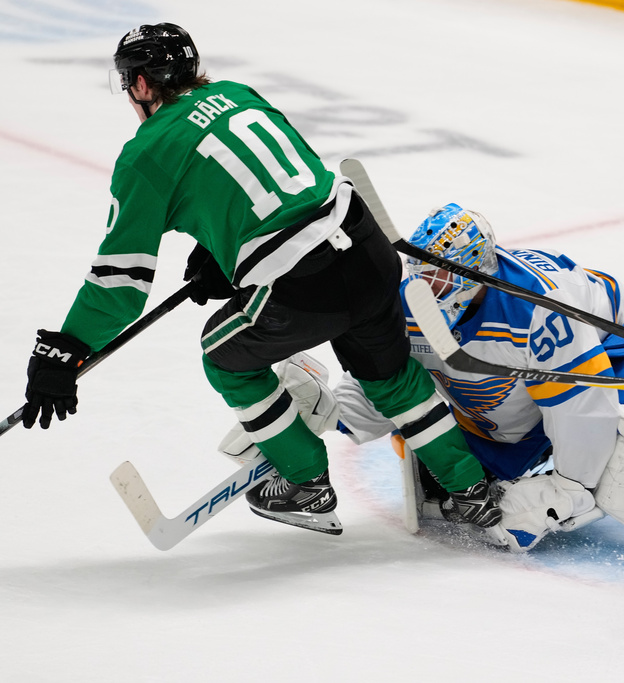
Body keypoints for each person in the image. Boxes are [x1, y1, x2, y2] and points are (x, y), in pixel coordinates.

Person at [20, 23, 499, 537]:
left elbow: (121, 280)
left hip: (305, 285)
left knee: (224, 356)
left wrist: (67, 349)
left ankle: (306, 483)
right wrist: (221, 253)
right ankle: (471, 490)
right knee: (392, 378)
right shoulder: (236, 94)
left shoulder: (145, 153)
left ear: (140, 84)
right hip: (366, 246)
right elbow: (289, 180)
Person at [270, 202, 624, 587]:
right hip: (511, 393)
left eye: (442, 274)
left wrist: (563, 493)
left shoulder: (536, 313)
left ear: (474, 271)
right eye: (422, 269)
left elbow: (583, 412)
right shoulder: (407, 295)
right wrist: (335, 416)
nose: (427, 282)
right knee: (469, 473)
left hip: (612, 344)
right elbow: (385, 378)